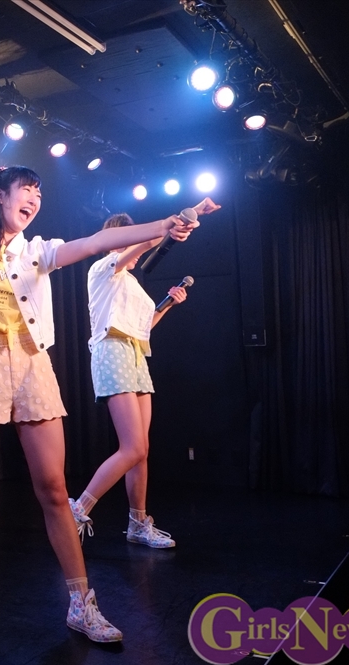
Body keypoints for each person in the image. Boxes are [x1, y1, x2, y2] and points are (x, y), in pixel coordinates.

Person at [0, 101, 198, 643]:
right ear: (0, 196)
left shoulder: (38, 251)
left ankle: (81, 602)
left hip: (34, 364)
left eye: (39, 192)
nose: (34, 198)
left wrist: (163, 226)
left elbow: (98, 242)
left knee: (55, 489)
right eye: (25, 190)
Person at [67, 203, 219, 550]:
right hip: (111, 351)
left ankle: (138, 523)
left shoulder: (132, 284)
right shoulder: (103, 268)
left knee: (141, 449)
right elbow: (144, 243)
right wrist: (181, 219)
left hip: (136, 354)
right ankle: (77, 509)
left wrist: (168, 303)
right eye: (128, 237)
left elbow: (143, 327)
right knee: (132, 447)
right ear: (116, 240)